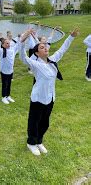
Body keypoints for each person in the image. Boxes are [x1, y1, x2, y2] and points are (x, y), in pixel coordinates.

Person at [19, 27, 79, 156]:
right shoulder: (36, 64)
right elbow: (23, 57)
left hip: (50, 98)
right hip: (38, 98)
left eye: (45, 46)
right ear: (36, 53)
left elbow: (62, 50)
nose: (45, 48)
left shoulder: (52, 61)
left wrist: (71, 37)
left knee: (45, 122)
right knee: (34, 122)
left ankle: (39, 141)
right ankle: (31, 143)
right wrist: (22, 42)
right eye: (41, 47)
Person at [0, 35, 19, 104]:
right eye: (6, 43)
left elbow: (18, 44)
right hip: (4, 72)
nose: (8, 44)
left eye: (9, 43)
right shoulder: (2, 51)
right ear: (3, 44)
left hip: (10, 71)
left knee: (9, 84)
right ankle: (3, 97)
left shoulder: (12, 50)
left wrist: (22, 37)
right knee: (4, 84)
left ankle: (8, 96)